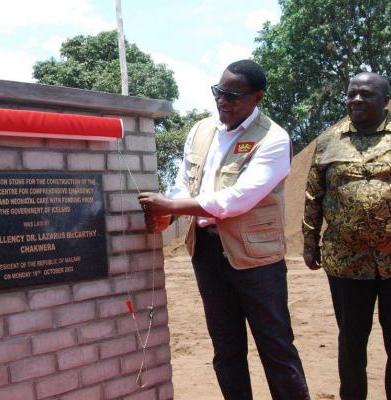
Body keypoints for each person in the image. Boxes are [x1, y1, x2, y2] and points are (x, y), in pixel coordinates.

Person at [139, 60, 309, 399]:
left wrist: (172, 207)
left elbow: (237, 199)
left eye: (233, 96)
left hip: (256, 260)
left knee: (276, 349)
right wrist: (169, 213)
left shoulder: (273, 139)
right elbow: (184, 184)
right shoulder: (201, 131)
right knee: (226, 349)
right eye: (219, 92)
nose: (223, 102)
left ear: (257, 97)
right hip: (207, 253)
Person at [302, 71, 391, 400]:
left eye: (366, 94)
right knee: (351, 342)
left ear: (385, 101)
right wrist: (310, 244)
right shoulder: (328, 141)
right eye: (351, 94)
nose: (356, 99)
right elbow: (314, 196)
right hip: (346, 264)